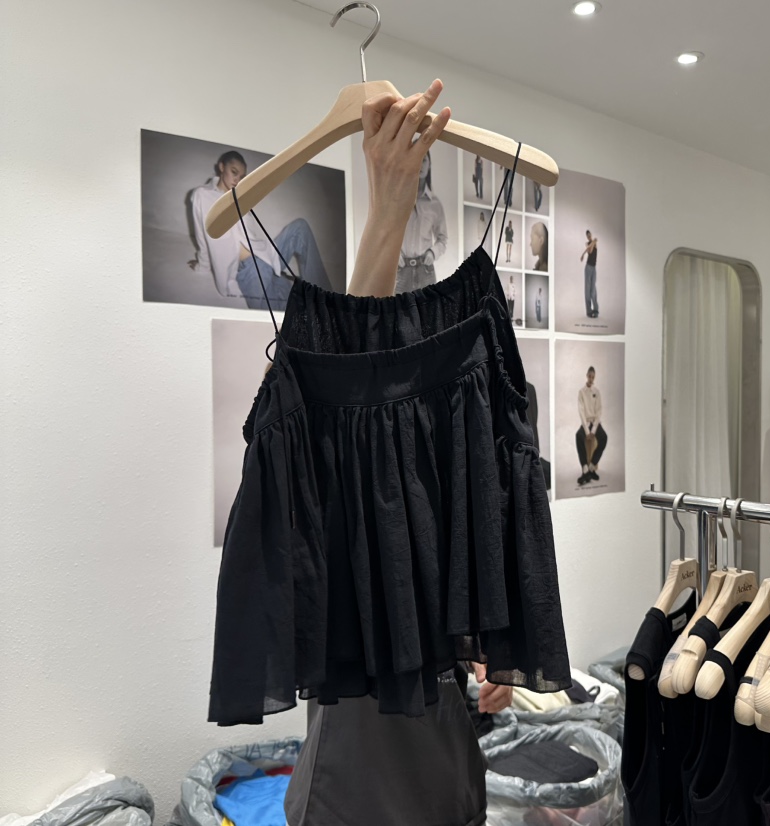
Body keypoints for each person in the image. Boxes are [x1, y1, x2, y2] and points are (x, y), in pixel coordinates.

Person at [283, 79, 514, 826]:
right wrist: (388, 206)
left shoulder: (449, 440)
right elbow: (347, 395)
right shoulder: (345, 449)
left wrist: (485, 643)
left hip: (449, 766)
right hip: (357, 777)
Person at [188, 150, 332, 310]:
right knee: (284, 312)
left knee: (300, 227)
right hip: (249, 270)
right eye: (234, 172)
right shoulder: (202, 195)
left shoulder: (241, 200)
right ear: (222, 167)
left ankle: (325, 296)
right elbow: (202, 236)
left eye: (241, 177)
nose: (237, 180)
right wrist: (202, 265)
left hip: (266, 255)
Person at [395, 149, 448, 292]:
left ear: (429, 165)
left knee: (429, 308)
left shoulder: (435, 204)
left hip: (426, 272)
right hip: (401, 271)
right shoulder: (397, 199)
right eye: (416, 158)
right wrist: (394, 255)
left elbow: (442, 239)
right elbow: (386, 232)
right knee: (398, 307)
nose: (420, 164)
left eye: (424, 160)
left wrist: (433, 253)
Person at [576, 366, 608, 486]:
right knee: (578, 436)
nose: (591, 379)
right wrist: (586, 431)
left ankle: (592, 466)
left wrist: (593, 430)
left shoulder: (596, 392)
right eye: (589, 376)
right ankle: (585, 469)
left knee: (604, 437)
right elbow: (581, 412)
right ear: (587, 376)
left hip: (595, 423)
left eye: (593, 377)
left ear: (594, 377)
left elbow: (599, 411)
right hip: (586, 423)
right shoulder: (581, 392)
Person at [580, 229, 599, 318]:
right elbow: (590, 251)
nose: (589, 236)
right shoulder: (587, 244)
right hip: (588, 268)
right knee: (587, 290)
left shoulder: (594, 243)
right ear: (587, 237)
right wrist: (583, 253)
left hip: (594, 268)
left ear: (591, 234)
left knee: (593, 290)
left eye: (590, 235)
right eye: (588, 236)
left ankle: (596, 309)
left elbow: (592, 248)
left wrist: (583, 254)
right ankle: (589, 311)